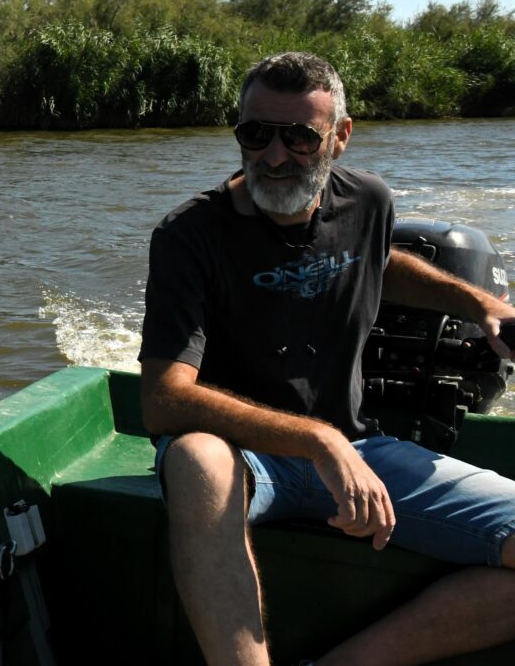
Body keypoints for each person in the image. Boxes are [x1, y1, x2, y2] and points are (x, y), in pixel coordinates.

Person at [137, 51, 515, 665]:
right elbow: (162, 400)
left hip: (360, 447)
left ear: (339, 137)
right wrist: (317, 440)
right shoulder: (189, 235)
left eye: (300, 137)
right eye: (255, 134)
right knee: (193, 459)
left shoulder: (367, 202)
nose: (275, 155)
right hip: (246, 457)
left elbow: (380, 264)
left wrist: (479, 305)